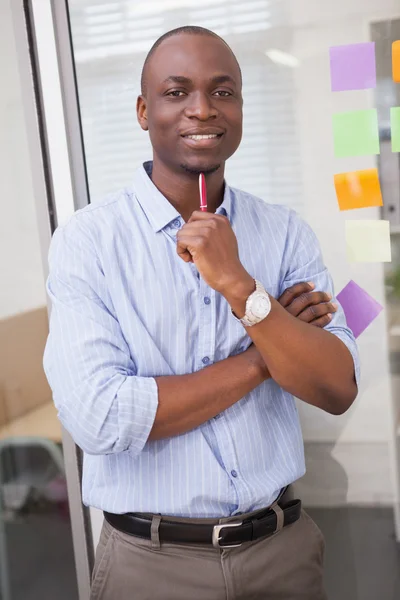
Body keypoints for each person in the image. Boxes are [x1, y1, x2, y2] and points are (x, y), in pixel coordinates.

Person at [43, 25, 359, 600]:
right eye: (176, 92)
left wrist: (238, 285)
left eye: (222, 91)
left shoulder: (285, 233)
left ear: (239, 107)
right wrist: (270, 349)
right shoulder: (88, 242)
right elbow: (102, 417)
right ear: (143, 111)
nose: (201, 110)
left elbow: (336, 385)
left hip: (282, 555)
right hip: (153, 565)